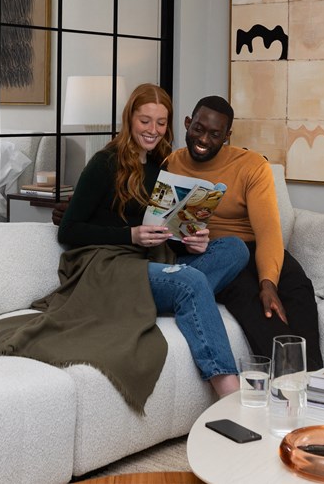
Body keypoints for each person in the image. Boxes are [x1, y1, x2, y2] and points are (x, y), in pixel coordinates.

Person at [58, 83, 249, 398]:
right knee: (190, 281)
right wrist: (129, 235)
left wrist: (190, 241)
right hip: (109, 268)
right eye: (145, 120)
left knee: (233, 248)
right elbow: (68, 231)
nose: (153, 130)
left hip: (151, 263)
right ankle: (228, 390)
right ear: (130, 117)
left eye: (161, 122)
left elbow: (161, 229)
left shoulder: (161, 163)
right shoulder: (104, 163)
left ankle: (172, 299)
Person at [166, 95, 323, 370]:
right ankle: (287, 377)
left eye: (215, 134)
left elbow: (269, 233)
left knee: (297, 288)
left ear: (227, 136)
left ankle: (315, 378)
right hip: (216, 254)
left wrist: (268, 283)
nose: (204, 140)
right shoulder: (170, 164)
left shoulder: (251, 165)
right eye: (198, 129)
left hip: (254, 248)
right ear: (188, 123)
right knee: (256, 304)